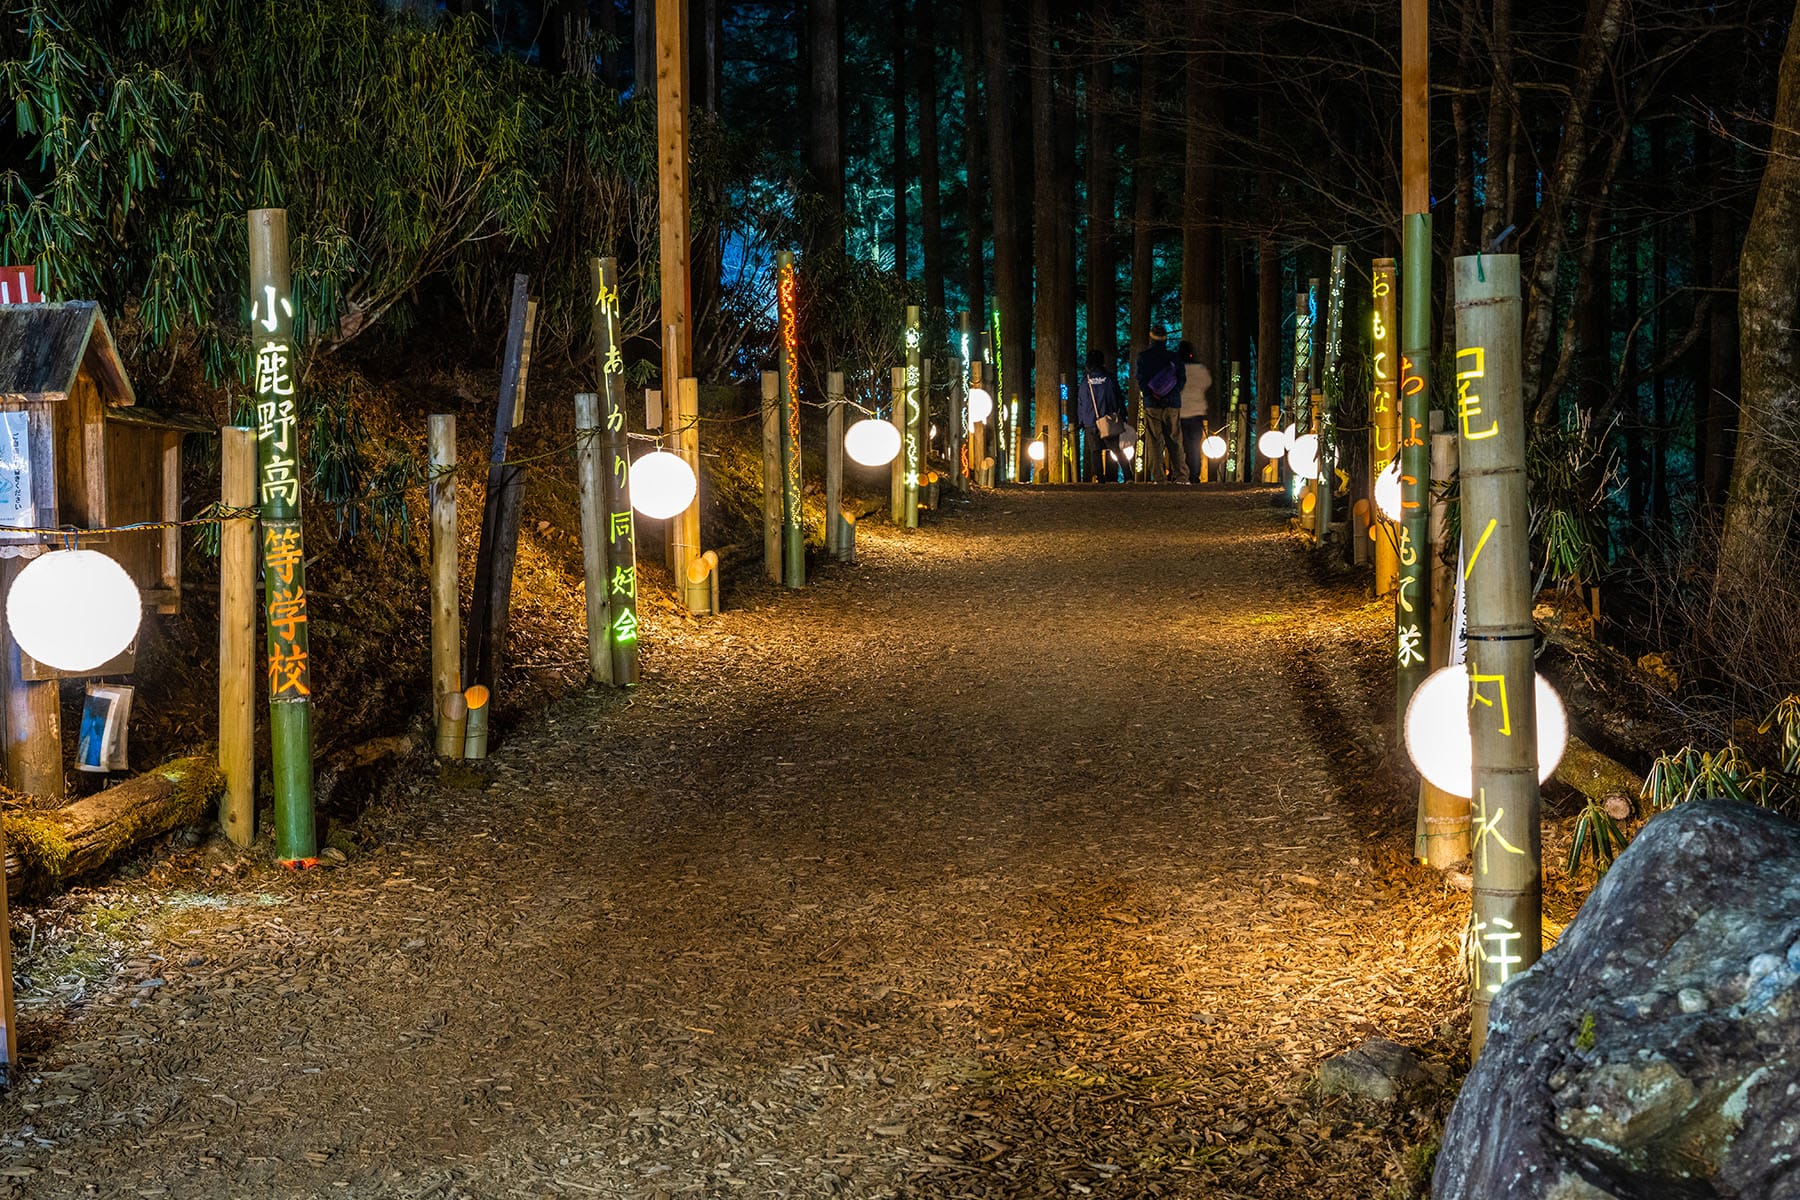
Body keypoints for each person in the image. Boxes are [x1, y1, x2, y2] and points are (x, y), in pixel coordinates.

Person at [1135, 326, 1187, 482]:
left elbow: (1141, 380)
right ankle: (1181, 476)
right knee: (1175, 440)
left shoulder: (1143, 357)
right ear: (1166, 339)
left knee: (1154, 440)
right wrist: (1171, 394)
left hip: (1152, 404)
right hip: (1172, 404)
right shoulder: (1174, 358)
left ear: (1151, 338)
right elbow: (1181, 380)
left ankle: (1159, 477)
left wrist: (1154, 395)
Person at [1075, 350, 1130, 482]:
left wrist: (1081, 420)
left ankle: (1100, 478)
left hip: (1090, 421)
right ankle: (1128, 477)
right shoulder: (1109, 378)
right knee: (1116, 449)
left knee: (1095, 451)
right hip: (1107, 420)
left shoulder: (1085, 381)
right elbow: (1116, 398)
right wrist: (1120, 413)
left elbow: (1081, 402)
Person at [1176, 340, 1215, 484]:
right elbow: (1207, 383)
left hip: (1180, 412)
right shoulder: (1200, 369)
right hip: (1197, 412)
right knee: (1194, 445)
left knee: (1181, 445)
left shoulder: (1176, 369)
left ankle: (1181, 474)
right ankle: (1194, 475)